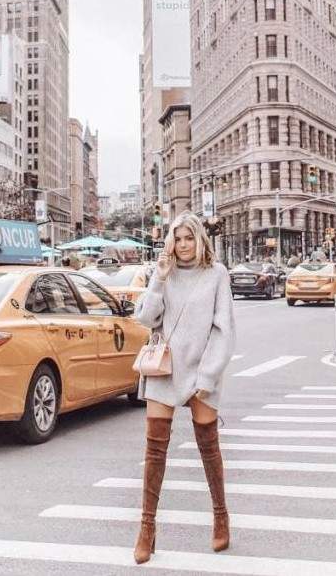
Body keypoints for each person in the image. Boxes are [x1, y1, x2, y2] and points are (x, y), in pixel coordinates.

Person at [133, 211, 236, 564]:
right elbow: (145, 318)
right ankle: (146, 528)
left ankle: (220, 517)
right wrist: (159, 279)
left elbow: (223, 330)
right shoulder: (164, 272)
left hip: (201, 371)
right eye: (177, 239)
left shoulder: (217, 274)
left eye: (189, 238)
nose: (184, 245)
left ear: (200, 239)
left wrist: (207, 377)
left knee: (209, 449)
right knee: (154, 452)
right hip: (165, 369)